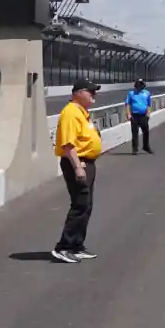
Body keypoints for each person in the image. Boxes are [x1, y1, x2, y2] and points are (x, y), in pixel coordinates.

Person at [51, 80, 103, 264]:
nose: (93, 95)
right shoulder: (71, 113)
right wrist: (78, 168)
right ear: (79, 92)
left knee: (86, 205)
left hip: (87, 163)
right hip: (78, 163)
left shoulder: (82, 113)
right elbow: (68, 144)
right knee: (80, 204)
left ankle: (76, 246)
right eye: (91, 92)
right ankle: (64, 247)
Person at [127, 78, 154, 155]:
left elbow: (149, 104)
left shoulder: (147, 93)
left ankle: (146, 146)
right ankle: (135, 149)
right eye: (138, 84)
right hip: (134, 115)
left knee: (146, 132)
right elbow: (128, 104)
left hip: (143, 116)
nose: (140, 86)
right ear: (136, 85)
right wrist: (128, 114)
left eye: (141, 84)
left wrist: (148, 113)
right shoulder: (131, 93)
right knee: (134, 133)